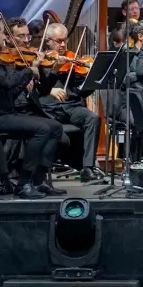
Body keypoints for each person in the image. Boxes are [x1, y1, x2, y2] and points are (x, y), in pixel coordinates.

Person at [0, 16, 63, 199]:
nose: (5, 38)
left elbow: (9, 93)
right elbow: (7, 82)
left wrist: (27, 79)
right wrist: (28, 70)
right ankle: (23, 184)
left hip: (3, 112)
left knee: (55, 127)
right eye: (2, 33)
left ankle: (38, 181)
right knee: (42, 129)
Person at [36, 22, 104, 183]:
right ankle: (42, 171)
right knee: (53, 132)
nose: (62, 45)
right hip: (48, 109)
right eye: (58, 41)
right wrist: (54, 70)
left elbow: (81, 92)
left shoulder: (73, 61)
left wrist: (91, 81)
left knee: (92, 118)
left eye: (64, 40)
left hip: (71, 107)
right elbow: (40, 89)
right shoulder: (41, 61)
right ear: (48, 41)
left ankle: (87, 167)